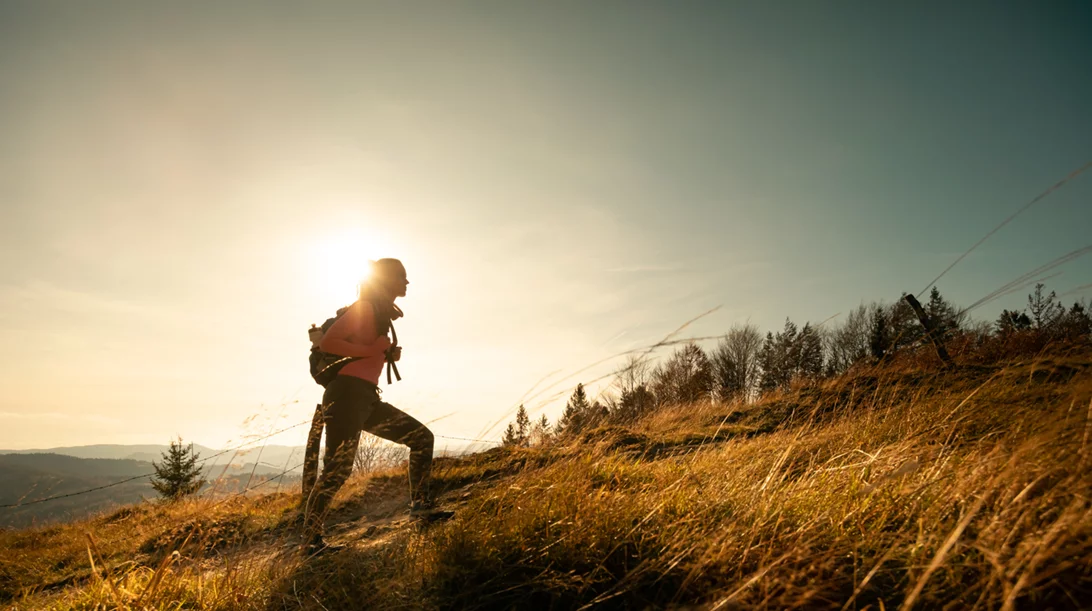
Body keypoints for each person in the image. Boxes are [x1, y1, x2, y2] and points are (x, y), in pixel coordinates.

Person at [302, 258, 451, 554]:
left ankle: (421, 508)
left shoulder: (379, 312)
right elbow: (329, 342)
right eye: (402, 277)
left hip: (366, 398)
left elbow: (361, 351)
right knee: (337, 470)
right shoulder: (366, 307)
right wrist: (370, 350)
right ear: (386, 279)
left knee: (421, 438)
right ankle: (310, 542)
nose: (407, 283)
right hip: (347, 396)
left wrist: (384, 356)